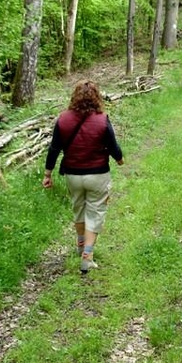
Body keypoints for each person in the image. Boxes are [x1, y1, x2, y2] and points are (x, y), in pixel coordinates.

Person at [42, 80, 124, 274]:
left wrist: (47, 173)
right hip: (98, 175)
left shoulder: (63, 119)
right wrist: (119, 159)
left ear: (75, 96)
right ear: (97, 97)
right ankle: (87, 256)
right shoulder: (102, 119)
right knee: (95, 212)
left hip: (72, 175)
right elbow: (112, 145)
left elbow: (54, 149)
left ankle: (80, 245)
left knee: (78, 209)